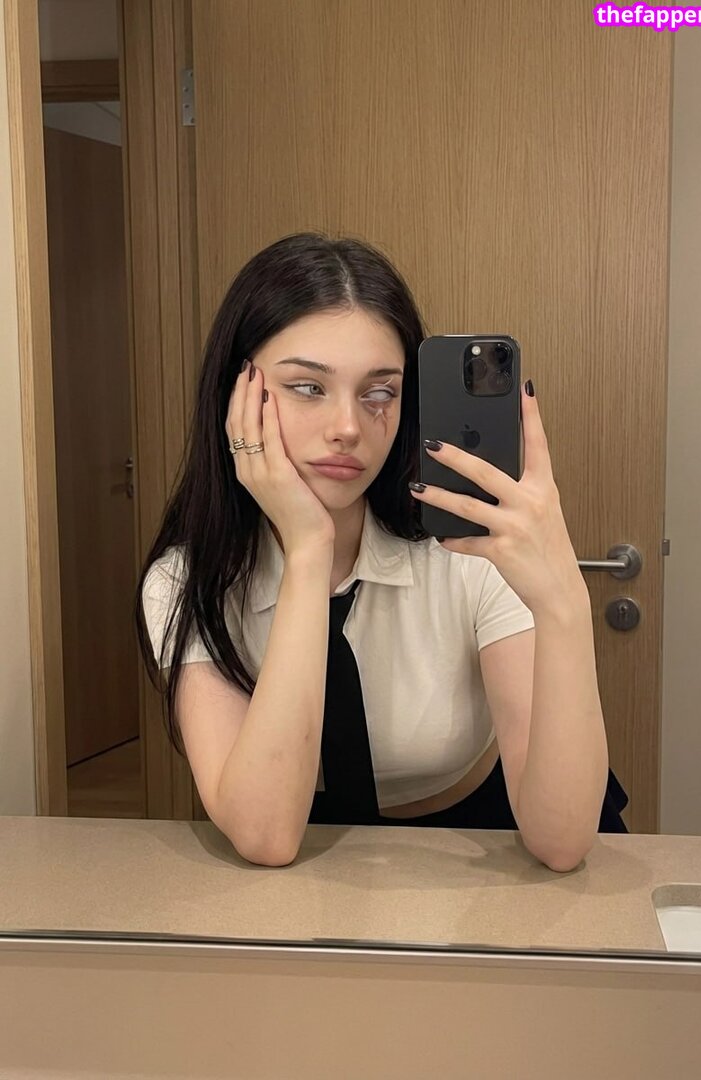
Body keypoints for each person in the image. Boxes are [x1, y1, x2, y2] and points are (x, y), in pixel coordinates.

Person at [135, 232, 620, 870]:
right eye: (308, 387)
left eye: (380, 392)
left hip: (480, 845)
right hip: (305, 854)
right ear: (237, 396)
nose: (348, 427)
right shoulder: (187, 580)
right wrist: (309, 551)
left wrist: (563, 602)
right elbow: (266, 836)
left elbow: (560, 843)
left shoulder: (468, 551)